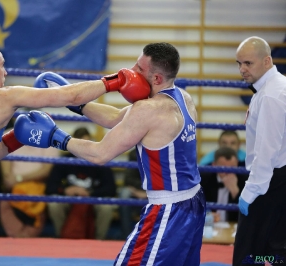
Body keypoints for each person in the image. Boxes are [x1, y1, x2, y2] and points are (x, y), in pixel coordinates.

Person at [0, 40, 151, 265]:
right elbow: (70, 96)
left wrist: (15, 139)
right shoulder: (0, 96)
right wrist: (116, 80)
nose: (6, 72)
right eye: (2, 65)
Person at [16, 42, 206, 265]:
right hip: (194, 202)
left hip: (169, 211)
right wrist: (76, 105)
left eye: (140, 69)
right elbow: (116, 117)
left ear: (156, 79)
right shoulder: (183, 97)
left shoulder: (147, 110)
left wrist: (56, 137)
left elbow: (100, 154)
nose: (131, 72)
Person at [233, 36, 286, 265]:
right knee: (273, 250)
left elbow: (267, 151)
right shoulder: (270, 88)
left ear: (267, 61)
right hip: (275, 180)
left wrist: (250, 191)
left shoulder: (271, 95)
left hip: (270, 182)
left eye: (248, 63)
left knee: (248, 253)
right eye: (239, 63)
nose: (242, 69)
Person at [45, 127, 117, 240]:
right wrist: (66, 190)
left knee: (106, 208)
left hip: (93, 198)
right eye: (80, 143)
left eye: (87, 144)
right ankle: (62, 238)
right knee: (54, 204)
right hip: (69, 199)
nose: (84, 148)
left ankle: (98, 241)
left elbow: (111, 188)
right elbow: (51, 186)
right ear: (73, 144)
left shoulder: (100, 161)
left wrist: (90, 193)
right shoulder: (64, 161)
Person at [0, 134, 59, 238]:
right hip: (14, 190)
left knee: (38, 203)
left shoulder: (49, 138)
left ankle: (26, 239)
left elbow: (46, 171)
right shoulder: (9, 136)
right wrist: (15, 181)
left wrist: (20, 178)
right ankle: (18, 238)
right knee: (4, 203)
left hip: (37, 189)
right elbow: (7, 177)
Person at [200, 147, 248, 223]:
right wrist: (206, 215)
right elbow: (194, 207)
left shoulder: (245, 180)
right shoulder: (203, 179)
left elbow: (247, 215)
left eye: (232, 168)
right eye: (223, 168)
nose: (228, 171)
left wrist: (235, 192)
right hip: (209, 227)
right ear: (214, 165)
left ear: (237, 164)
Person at [117, 148, 146, 239]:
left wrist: (147, 193)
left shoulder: (162, 152)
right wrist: (137, 191)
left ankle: (151, 237)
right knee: (124, 193)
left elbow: (162, 180)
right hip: (137, 192)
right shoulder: (135, 153)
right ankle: (126, 236)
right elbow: (128, 180)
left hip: (155, 193)